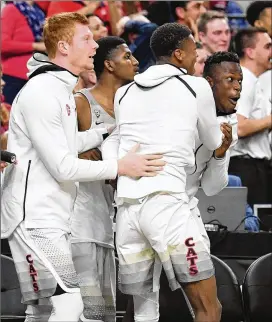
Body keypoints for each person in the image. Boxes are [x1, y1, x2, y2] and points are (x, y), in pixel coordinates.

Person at [1, 12, 165, 322]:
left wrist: (106, 130)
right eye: (86, 39)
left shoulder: (55, 88)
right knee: (74, 303)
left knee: (41, 310)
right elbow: (63, 166)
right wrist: (121, 166)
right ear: (63, 47)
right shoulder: (43, 91)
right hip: (34, 221)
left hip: (40, 217)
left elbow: (63, 144)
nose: (94, 45)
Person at [102, 23, 226, 322]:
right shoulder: (196, 86)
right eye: (195, 50)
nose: (198, 56)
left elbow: (114, 141)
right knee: (209, 308)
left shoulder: (124, 92)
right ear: (179, 54)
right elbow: (212, 142)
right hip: (168, 205)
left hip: (127, 212)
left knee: (144, 314)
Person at [71, 36, 139, 322]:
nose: (135, 62)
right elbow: (69, 154)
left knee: (107, 312)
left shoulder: (135, 104)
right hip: (81, 216)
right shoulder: (81, 102)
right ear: (109, 64)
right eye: (127, 57)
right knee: (87, 310)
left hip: (113, 217)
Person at [229, 27, 272, 207]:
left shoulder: (252, 79)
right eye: (268, 46)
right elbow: (239, 127)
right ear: (250, 52)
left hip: (255, 167)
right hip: (247, 168)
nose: (271, 52)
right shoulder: (244, 79)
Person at [1, 0, 46, 104]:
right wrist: (36, 46)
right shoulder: (11, 9)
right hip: (13, 79)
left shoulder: (39, 13)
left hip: (34, 77)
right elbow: (3, 44)